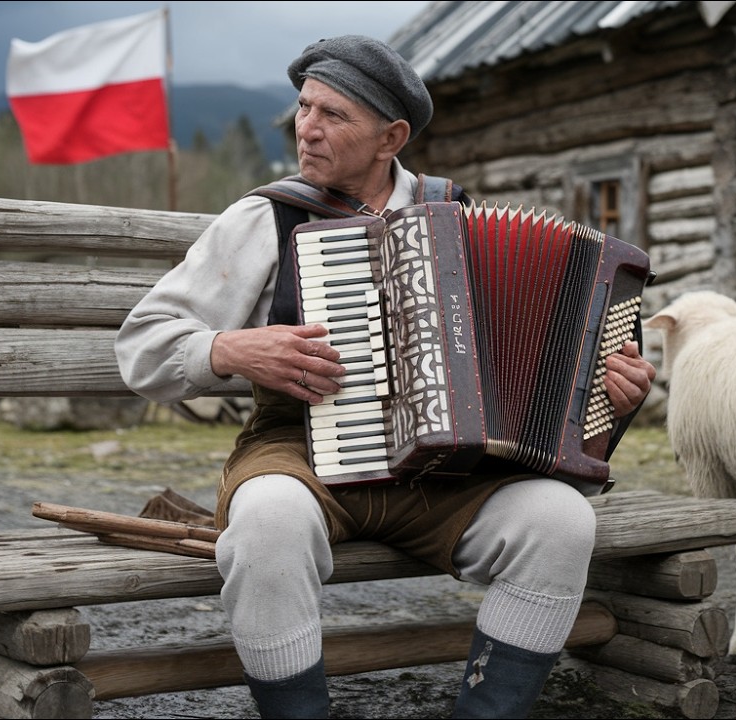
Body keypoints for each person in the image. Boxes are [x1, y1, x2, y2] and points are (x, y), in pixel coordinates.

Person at [115, 34, 657, 720]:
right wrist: (229, 350)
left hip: (446, 474)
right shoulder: (266, 217)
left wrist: (608, 394)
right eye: (303, 108)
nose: (306, 129)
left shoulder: (451, 215)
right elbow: (142, 347)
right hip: (301, 452)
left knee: (561, 522)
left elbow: (546, 381)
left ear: (390, 137)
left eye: (333, 115)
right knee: (267, 524)